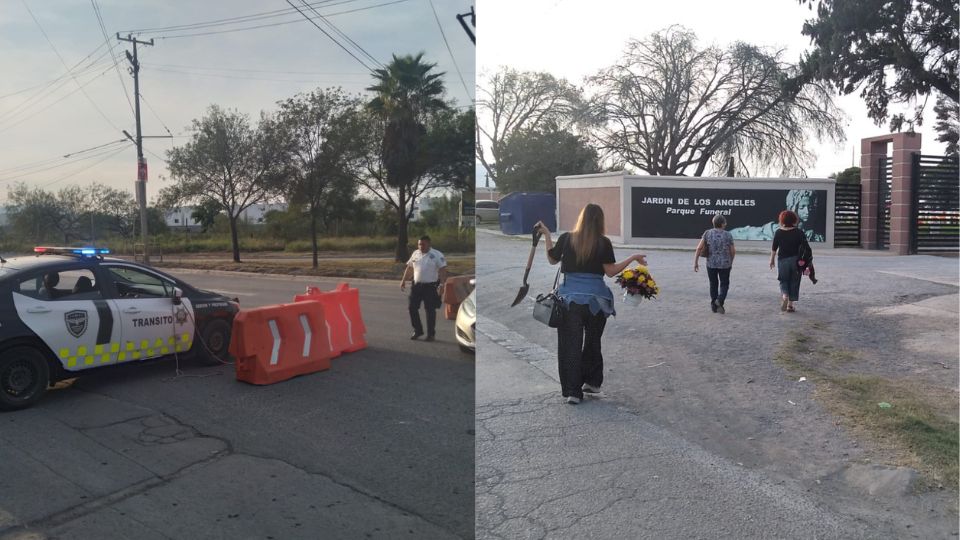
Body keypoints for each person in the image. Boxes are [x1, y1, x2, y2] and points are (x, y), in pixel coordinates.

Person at [536, 204, 647, 405]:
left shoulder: (567, 238)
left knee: (570, 345)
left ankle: (573, 392)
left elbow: (552, 260)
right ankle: (592, 382)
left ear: (582, 218)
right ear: (600, 221)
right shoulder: (603, 243)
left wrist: (546, 234)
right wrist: (632, 258)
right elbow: (611, 272)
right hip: (597, 302)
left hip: (570, 301)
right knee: (593, 342)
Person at [729, 189, 825, 242]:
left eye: (810, 207)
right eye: (802, 207)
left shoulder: (816, 237)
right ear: (793, 208)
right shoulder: (772, 231)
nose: (807, 211)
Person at [400, 236, 447, 341]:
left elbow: (443, 270)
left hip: (430, 286)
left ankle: (431, 334)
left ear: (429, 244)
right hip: (417, 286)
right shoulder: (415, 253)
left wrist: (442, 285)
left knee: (430, 311)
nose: (421, 246)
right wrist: (403, 280)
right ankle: (418, 330)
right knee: (412, 308)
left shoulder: (437, 255)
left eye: (423, 244)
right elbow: (409, 268)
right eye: (419, 244)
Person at [769, 210, 810, 312]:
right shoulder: (799, 232)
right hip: (796, 261)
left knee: (783, 280)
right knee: (794, 281)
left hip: (782, 260)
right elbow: (806, 248)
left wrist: (772, 260)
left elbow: (774, 248)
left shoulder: (778, 232)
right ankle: (790, 305)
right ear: (794, 220)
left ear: (782, 220)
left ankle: (785, 295)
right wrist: (807, 263)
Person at [694, 213, 736, 313]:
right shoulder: (728, 235)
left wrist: (695, 262)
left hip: (711, 264)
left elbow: (699, 248)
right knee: (724, 284)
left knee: (713, 284)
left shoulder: (707, 233)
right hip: (725, 264)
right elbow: (733, 251)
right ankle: (720, 300)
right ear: (722, 224)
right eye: (725, 223)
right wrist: (731, 261)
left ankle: (714, 305)